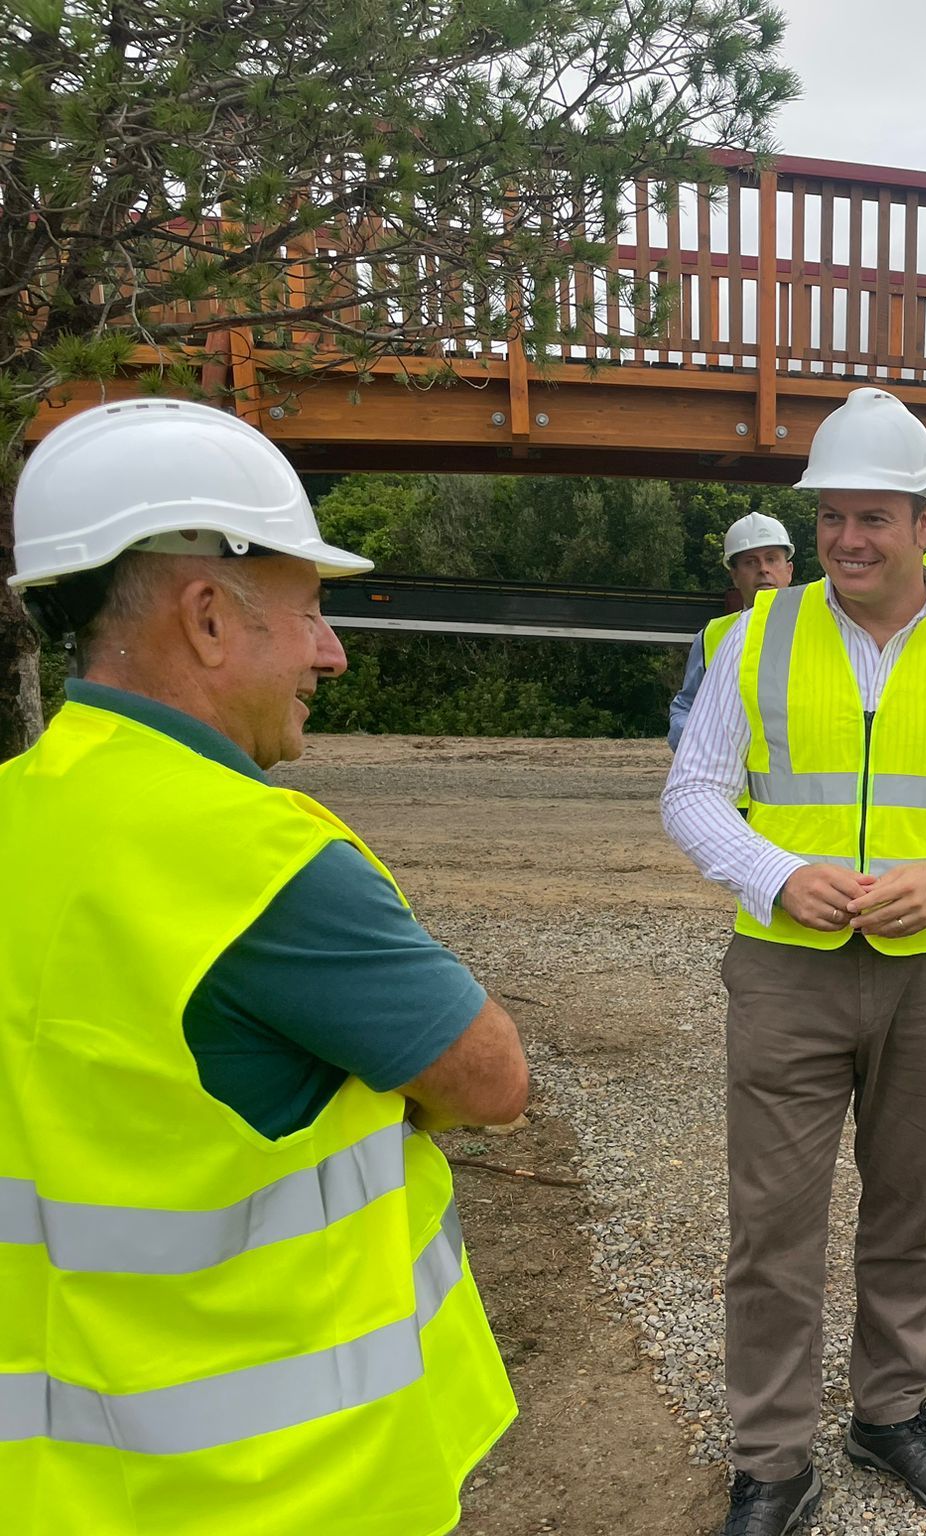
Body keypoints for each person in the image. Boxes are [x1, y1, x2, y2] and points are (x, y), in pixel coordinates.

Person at [1, 399, 525, 1535]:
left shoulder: (15, 818)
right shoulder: (264, 860)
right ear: (205, 617)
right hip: (279, 1488)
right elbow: (491, 1084)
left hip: (55, 1481)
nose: (331, 652)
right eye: (312, 610)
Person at [662, 386, 926, 1535]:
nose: (846, 540)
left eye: (872, 519)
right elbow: (693, 793)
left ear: (923, 522)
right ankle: (771, 1459)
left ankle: (889, 1413)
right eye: (830, 518)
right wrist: (771, 873)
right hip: (786, 971)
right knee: (774, 1221)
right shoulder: (756, 635)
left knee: (906, 1212)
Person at [668, 512, 795, 749]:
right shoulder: (710, 637)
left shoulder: (820, 629)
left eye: (772, 559)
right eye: (751, 562)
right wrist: (697, 743)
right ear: (734, 575)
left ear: (789, 570)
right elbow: (686, 708)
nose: (763, 570)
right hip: (729, 785)